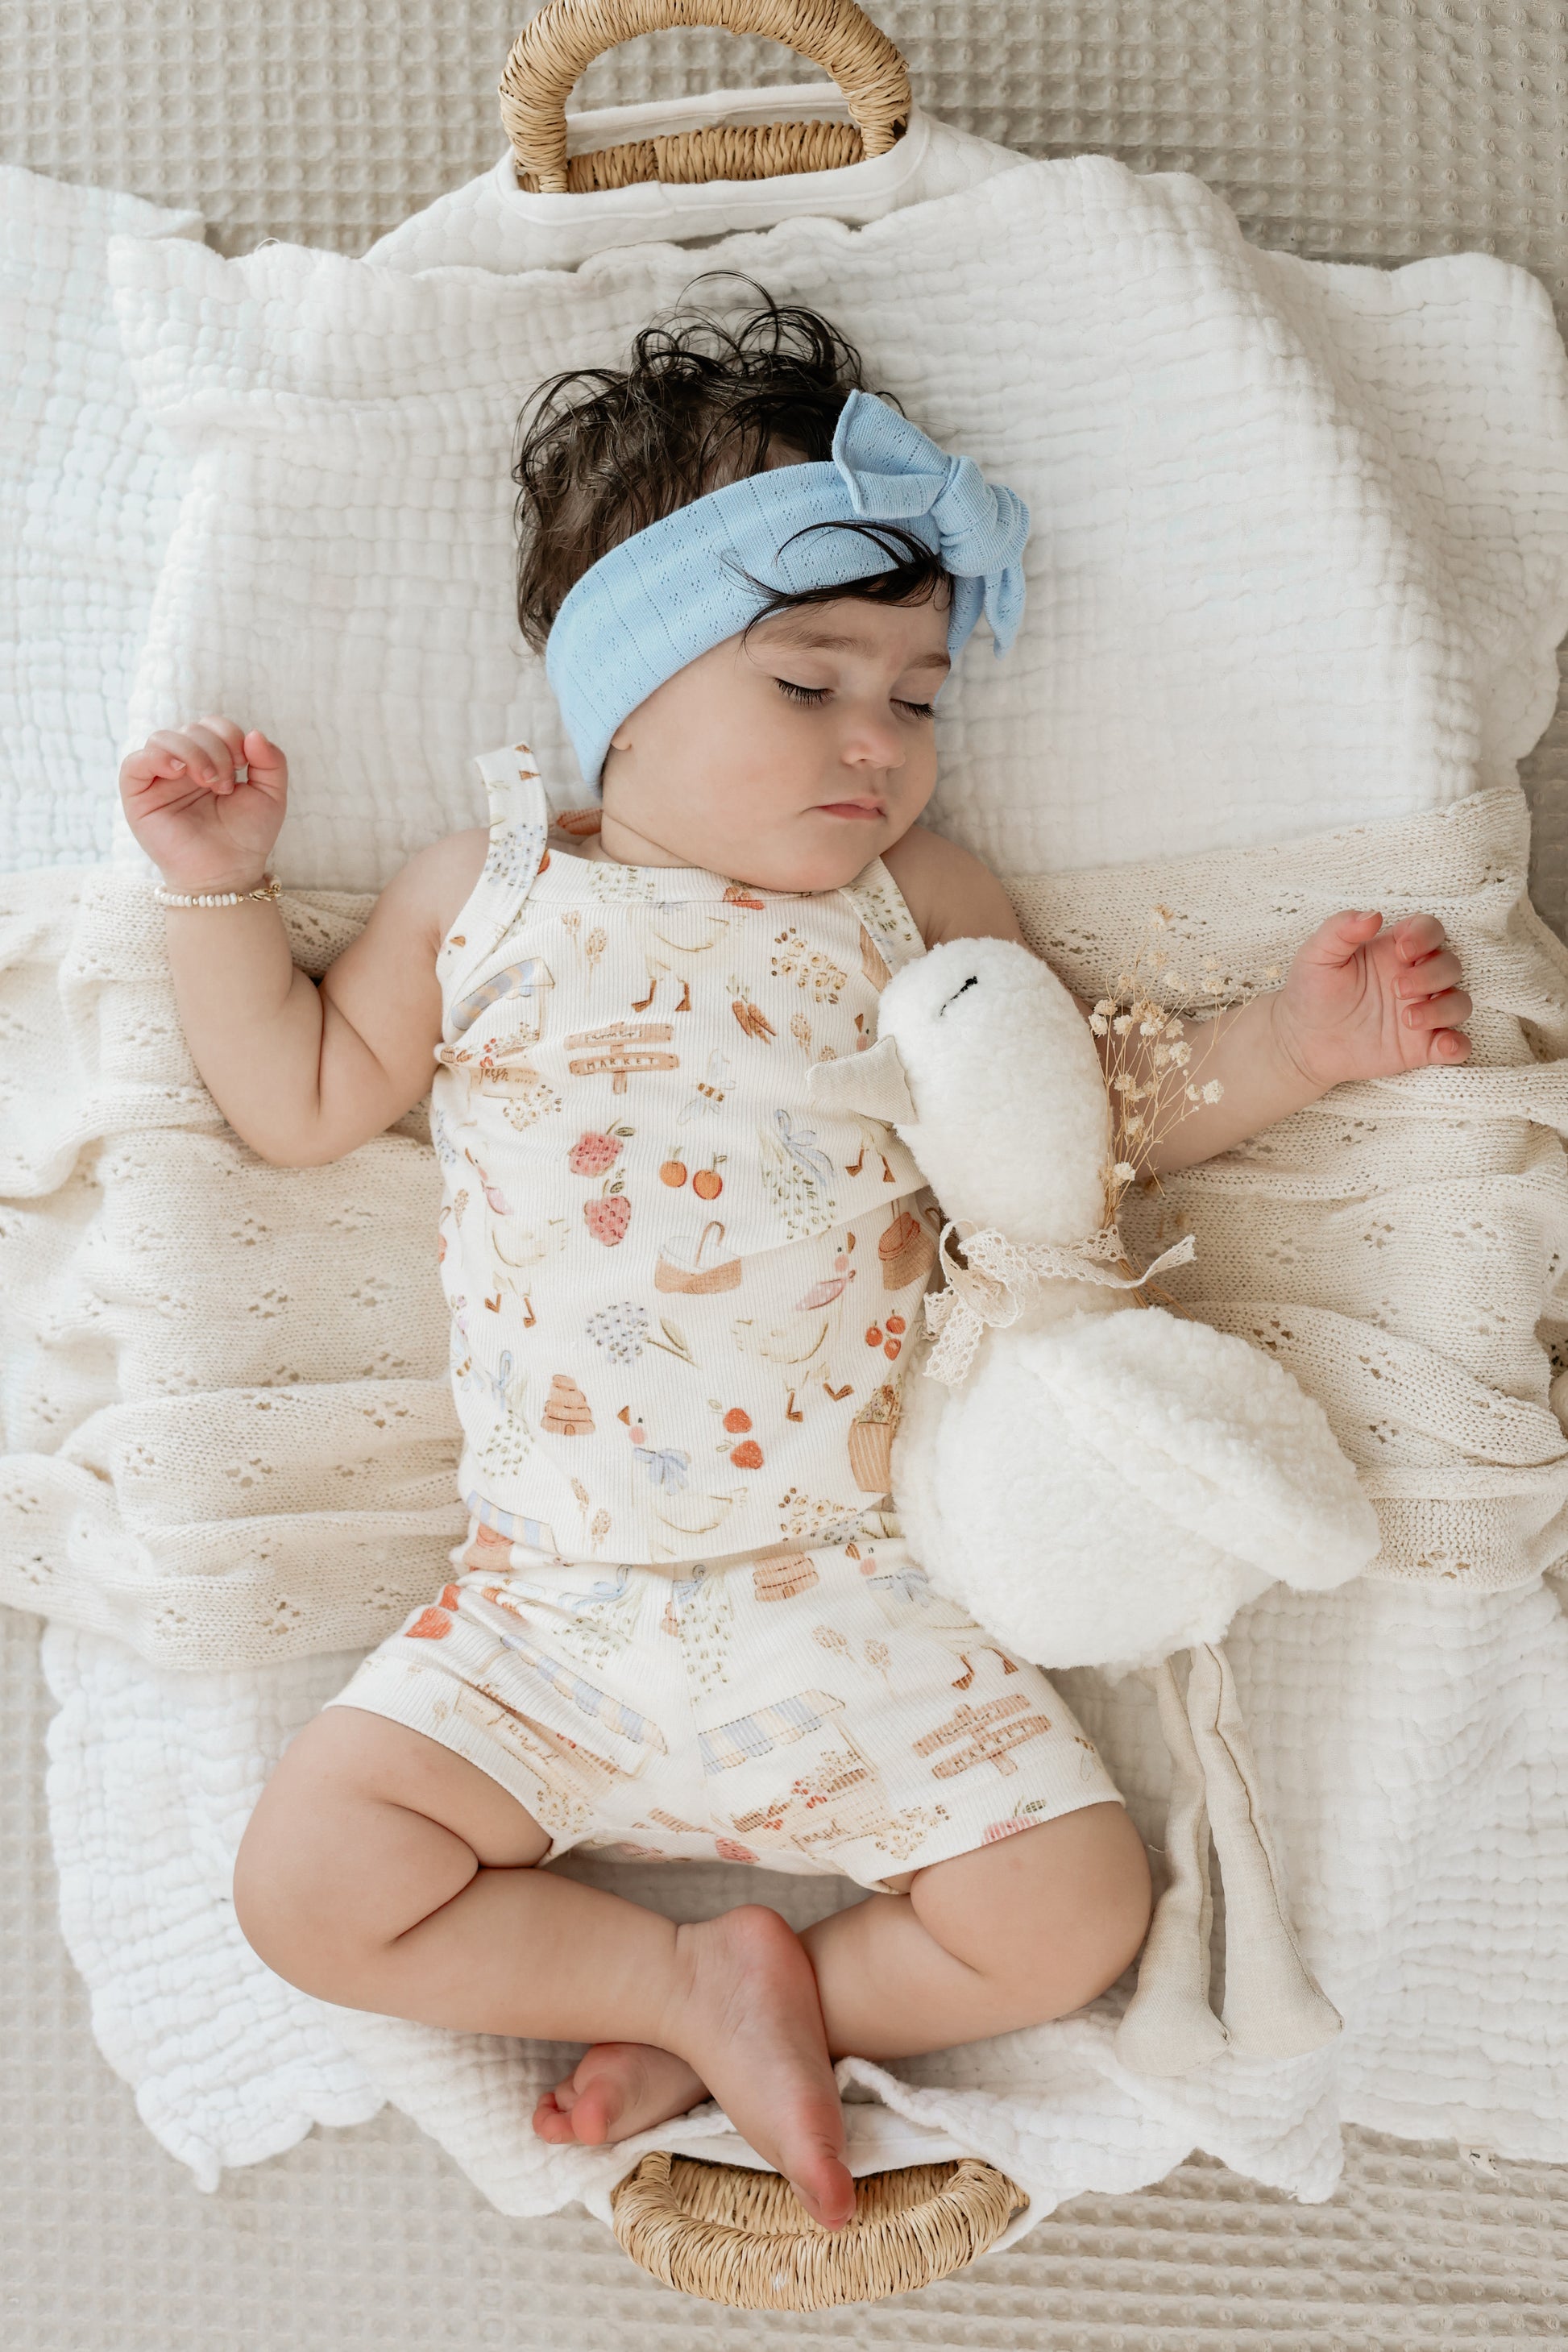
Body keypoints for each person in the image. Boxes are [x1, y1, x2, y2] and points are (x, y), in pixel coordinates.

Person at [118, 296, 1471, 2233]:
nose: (876, 745)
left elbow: (1062, 1125)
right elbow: (300, 1097)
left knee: (1072, 1910)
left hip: (850, 1586)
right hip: (544, 1601)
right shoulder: (485, 896)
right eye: (809, 682)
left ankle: (764, 2006)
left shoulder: (913, 908)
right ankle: (676, 1977)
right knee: (308, 1888)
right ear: (627, 689)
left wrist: (1289, 1043)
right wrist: (218, 888)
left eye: (917, 698)